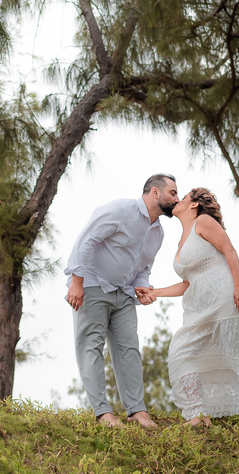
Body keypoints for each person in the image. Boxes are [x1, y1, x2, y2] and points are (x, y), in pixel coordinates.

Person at [138, 187, 239, 425]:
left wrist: (238, 286)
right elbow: (187, 283)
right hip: (200, 307)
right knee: (181, 351)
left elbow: (229, 250)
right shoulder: (181, 240)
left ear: (194, 204)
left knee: (238, 354)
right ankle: (198, 414)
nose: (178, 199)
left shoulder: (203, 221)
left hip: (227, 295)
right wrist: (155, 292)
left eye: (183, 197)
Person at [65, 174, 179, 428]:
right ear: (155, 193)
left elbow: (143, 268)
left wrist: (142, 289)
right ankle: (102, 412)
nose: (177, 199)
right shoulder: (121, 210)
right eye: (173, 193)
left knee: (129, 349)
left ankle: (136, 410)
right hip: (92, 284)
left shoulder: (158, 233)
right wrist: (76, 282)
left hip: (124, 294)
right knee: (91, 346)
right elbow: (87, 239)